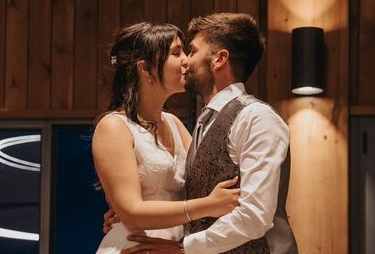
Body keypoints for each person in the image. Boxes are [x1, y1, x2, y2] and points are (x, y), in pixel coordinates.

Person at [117, 13, 298, 253]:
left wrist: (185, 248)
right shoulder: (204, 122)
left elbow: (255, 216)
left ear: (219, 59)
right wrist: (127, 209)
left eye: (191, 51)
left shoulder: (256, 117)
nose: (185, 62)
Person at [93, 22, 241, 253]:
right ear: (145, 68)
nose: (186, 61)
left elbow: (203, 182)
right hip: (135, 246)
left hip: (174, 246)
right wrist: (209, 206)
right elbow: (132, 213)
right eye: (175, 53)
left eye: (185, 51)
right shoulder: (114, 126)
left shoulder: (173, 124)